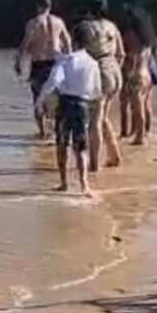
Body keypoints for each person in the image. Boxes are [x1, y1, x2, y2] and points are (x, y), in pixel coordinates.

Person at [35, 21, 101, 196]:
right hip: (82, 105)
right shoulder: (93, 63)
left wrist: (40, 102)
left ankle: (64, 182)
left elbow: (53, 82)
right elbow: (96, 91)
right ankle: (84, 185)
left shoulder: (66, 60)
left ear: (73, 39)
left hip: (65, 104)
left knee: (62, 143)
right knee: (81, 146)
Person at [14, 0, 72, 138]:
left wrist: (18, 62)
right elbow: (68, 43)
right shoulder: (59, 22)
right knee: (56, 97)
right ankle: (56, 130)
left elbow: (25, 43)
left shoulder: (34, 23)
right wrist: (69, 63)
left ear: (38, 7)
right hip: (56, 63)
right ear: (50, 7)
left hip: (39, 64)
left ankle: (43, 131)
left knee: (38, 98)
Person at [80, 0, 124, 172]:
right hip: (114, 70)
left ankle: (93, 165)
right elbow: (121, 54)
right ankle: (115, 156)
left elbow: (79, 54)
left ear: (91, 11)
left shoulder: (89, 28)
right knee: (103, 117)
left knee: (94, 121)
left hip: (100, 71)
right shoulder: (113, 26)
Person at [122, 6, 157, 145]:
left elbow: (132, 56)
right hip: (147, 74)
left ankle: (140, 136)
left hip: (136, 74)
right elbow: (152, 58)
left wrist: (127, 74)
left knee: (137, 108)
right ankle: (147, 132)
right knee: (146, 105)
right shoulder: (149, 38)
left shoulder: (132, 36)